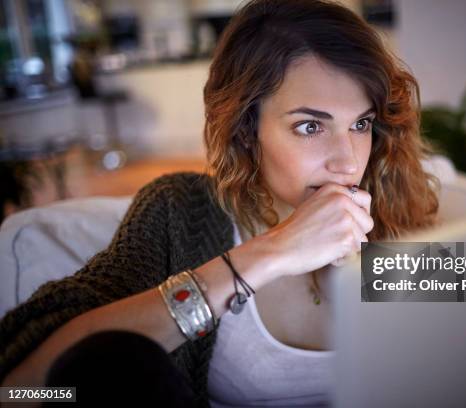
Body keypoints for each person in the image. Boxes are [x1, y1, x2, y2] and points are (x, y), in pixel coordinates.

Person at [0, 0, 439, 406]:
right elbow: (19, 391)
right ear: (246, 130)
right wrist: (267, 254)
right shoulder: (182, 211)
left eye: (360, 124)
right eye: (309, 127)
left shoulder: (388, 203)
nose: (347, 160)